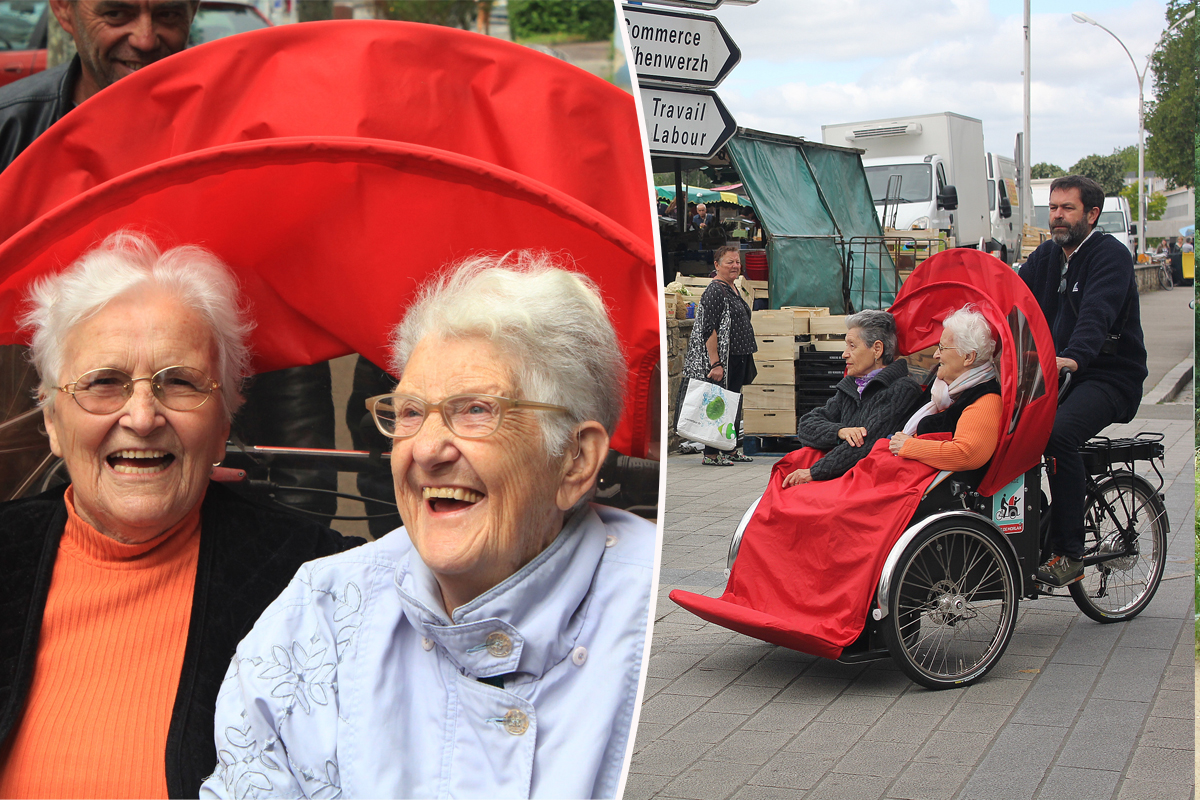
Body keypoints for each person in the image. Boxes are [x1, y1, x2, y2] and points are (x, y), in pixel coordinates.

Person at [201, 254, 656, 800]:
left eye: (476, 411)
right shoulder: (316, 620)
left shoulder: (653, 613)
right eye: (411, 411)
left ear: (576, 461)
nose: (425, 449)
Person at [0, 231, 358, 798]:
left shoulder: (312, 583)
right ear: (51, 420)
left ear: (223, 420)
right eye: (104, 383)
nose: (142, 416)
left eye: (181, 384)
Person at [1018, 174, 1146, 587]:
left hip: (1108, 375)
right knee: (1000, 429)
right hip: (1055, 372)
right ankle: (1024, 529)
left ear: (1091, 214)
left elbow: (1097, 313)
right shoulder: (1046, 257)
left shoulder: (1111, 257)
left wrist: (1073, 358)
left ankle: (1068, 552)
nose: (1057, 216)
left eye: (1067, 208)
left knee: (1057, 435)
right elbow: (1011, 297)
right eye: (1053, 208)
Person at [0, 0, 199, 172]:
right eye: (115, 14)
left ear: (193, 11)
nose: (145, 41)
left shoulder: (224, 125)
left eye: (168, 15)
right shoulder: (10, 127)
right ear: (64, 9)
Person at [784, 310, 921, 486]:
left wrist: (814, 472)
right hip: (843, 475)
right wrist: (840, 431)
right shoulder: (851, 386)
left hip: (873, 483)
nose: (844, 354)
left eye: (852, 346)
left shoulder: (902, 390)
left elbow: (864, 446)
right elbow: (806, 425)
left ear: (877, 349)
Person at [888, 305, 1001, 477]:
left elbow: (967, 454)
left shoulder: (986, 398)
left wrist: (909, 446)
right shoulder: (945, 389)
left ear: (968, 357)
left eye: (942, 348)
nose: (935, 355)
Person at [680, 244, 757, 466]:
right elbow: (708, 329)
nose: (735, 266)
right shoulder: (715, 290)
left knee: (732, 403)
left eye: (737, 262)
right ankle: (711, 453)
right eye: (729, 262)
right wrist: (716, 363)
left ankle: (730, 448)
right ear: (716, 265)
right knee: (718, 404)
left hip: (739, 356)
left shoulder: (732, 287)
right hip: (725, 359)